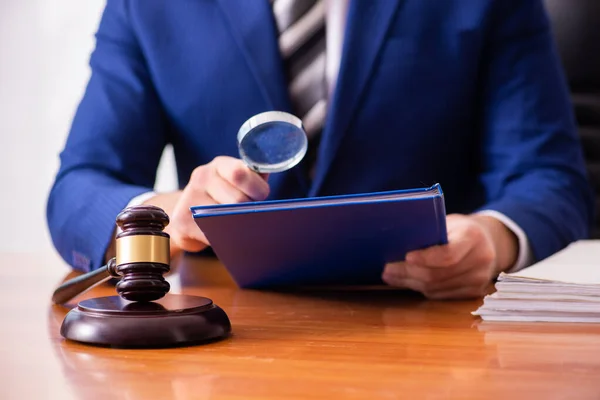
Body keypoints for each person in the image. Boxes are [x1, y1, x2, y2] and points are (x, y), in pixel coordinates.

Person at [46, 0, 594, 300]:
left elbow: (552, 179)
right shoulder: (148, 7)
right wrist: (167, 213)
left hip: (431, 324)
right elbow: (80, 186)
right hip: (233, 333)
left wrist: (494, 240)